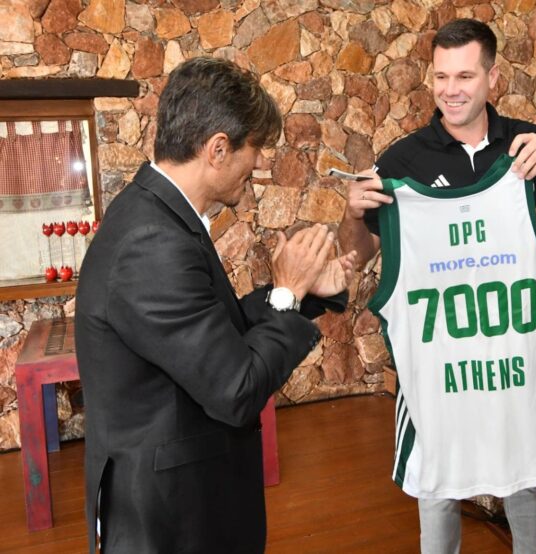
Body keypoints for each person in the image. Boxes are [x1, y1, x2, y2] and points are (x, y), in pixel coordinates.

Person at [338, 19, 536, 554]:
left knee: (524, 475)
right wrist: (352, 213)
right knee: (439, 484)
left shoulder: (527, 145)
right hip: (439, 365)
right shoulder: (402, 161)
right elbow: (355, 255)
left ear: (493, 77)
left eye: (464, 76)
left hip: (511, 356)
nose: (451, 90)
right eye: (441, 76)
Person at [75, 57, 356, 554]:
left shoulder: (158, 215)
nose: (261, 164)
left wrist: (305, 292)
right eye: (256, 148)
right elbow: (235, 388)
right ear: (219, 149)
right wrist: (286, 293)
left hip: (181, 500)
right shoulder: (152, 241)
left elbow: (214, 333)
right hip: (170, 519)